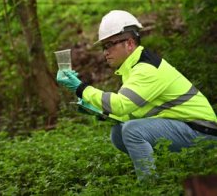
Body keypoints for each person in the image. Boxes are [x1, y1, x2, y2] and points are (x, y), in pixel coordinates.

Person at [56, 10, 217, 180]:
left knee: (132, 131)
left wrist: (81, 88)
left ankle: (149, 185)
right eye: (104, 47)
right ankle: (171, 173)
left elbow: (121, 105)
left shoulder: (146, 70)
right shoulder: (134, 67)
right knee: (118, 133)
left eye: (110, 45)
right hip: (186, 127)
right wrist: (98, 110)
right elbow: (134, 111)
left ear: (130, 43)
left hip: (203, 133)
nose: (105, 52)